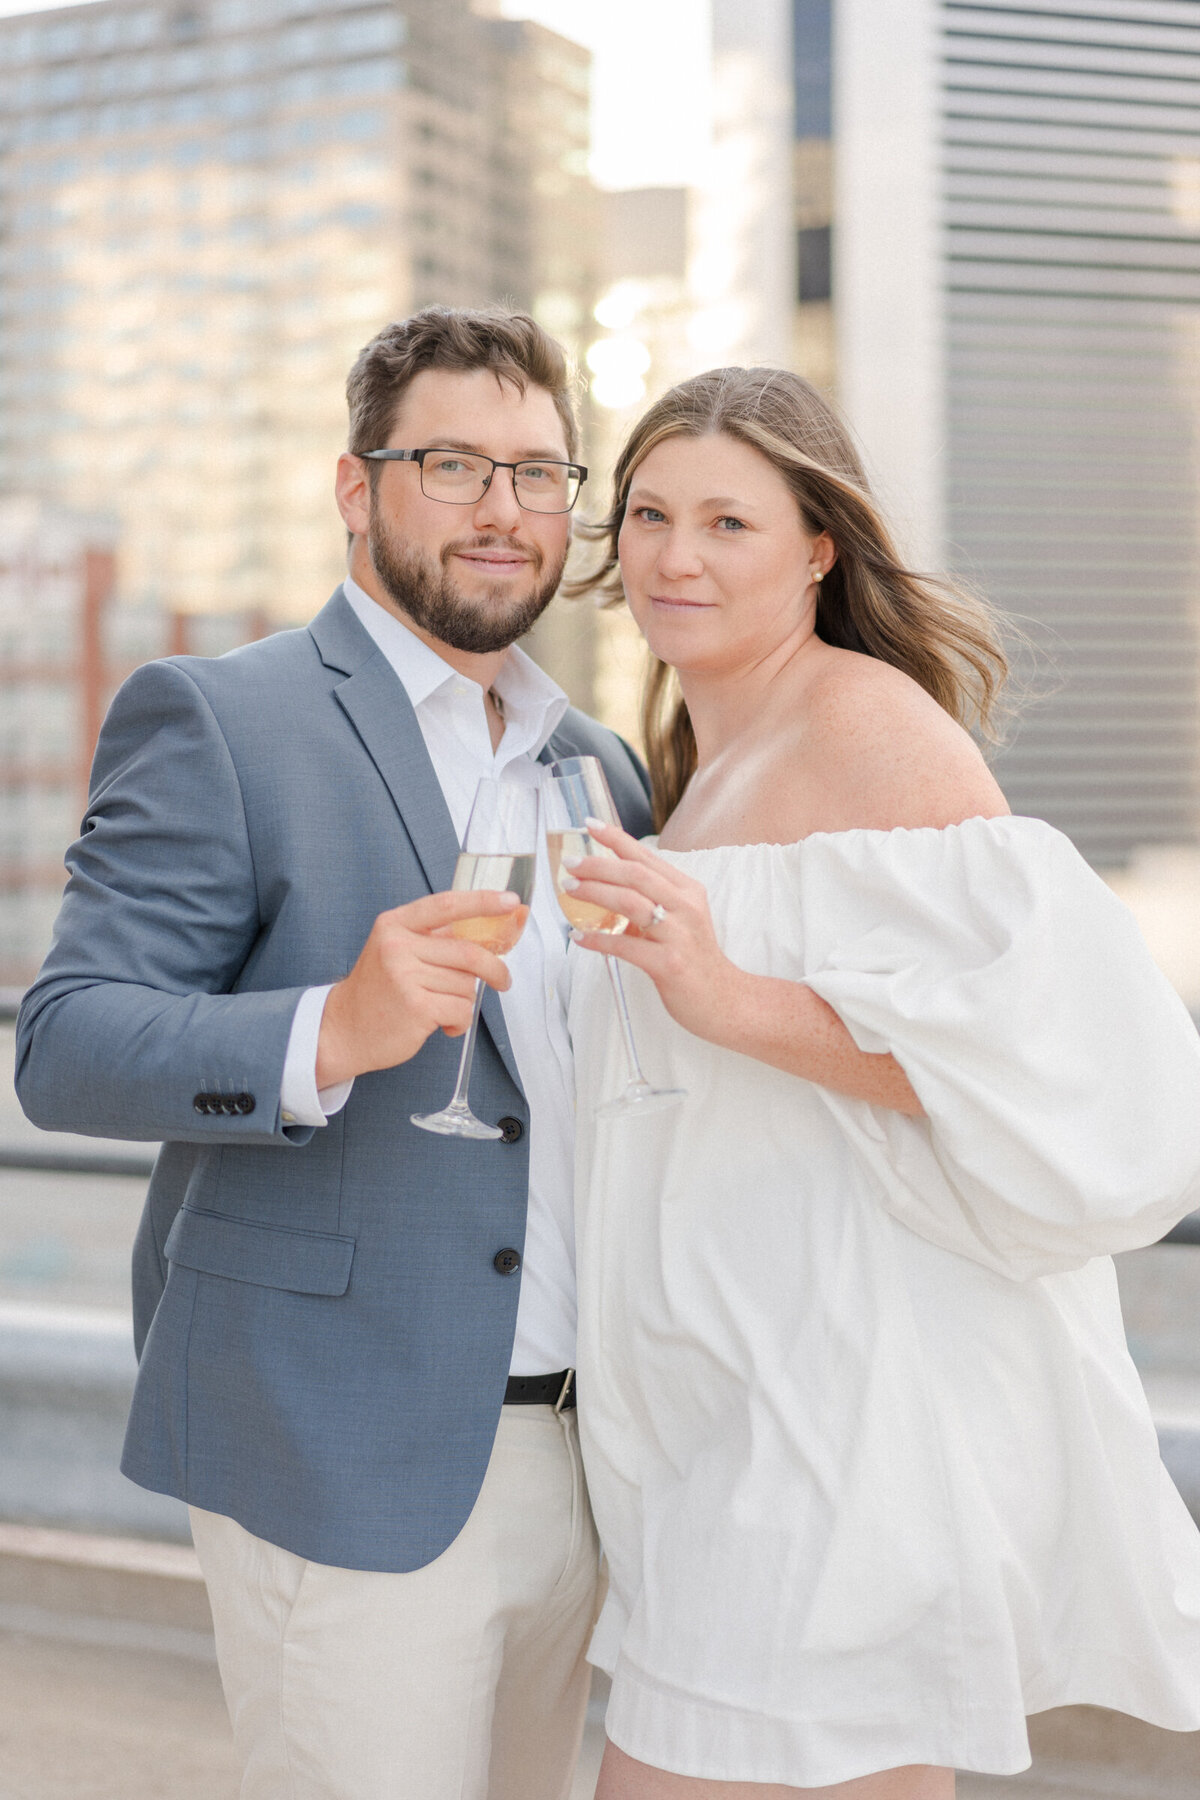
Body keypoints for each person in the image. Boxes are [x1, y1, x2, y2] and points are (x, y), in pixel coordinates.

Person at [15, 306, 652, 1800]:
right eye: (454, 464)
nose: (505, 510)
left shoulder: (597, 766)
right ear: (357, 489)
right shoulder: (222, 719)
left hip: (584, 1460)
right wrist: (334, 1029)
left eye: (541, 474)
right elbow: (68, 1044)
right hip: (341, 1450)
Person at [561, 365, 1200, 1799]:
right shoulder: (696, 764)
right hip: (730, 1413)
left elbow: (1052, 1050)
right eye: (651, 513)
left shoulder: (867, 723)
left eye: (730, 522)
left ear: (818, 548)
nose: (674, 555)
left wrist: (734, 1000)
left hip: (833, 1422)